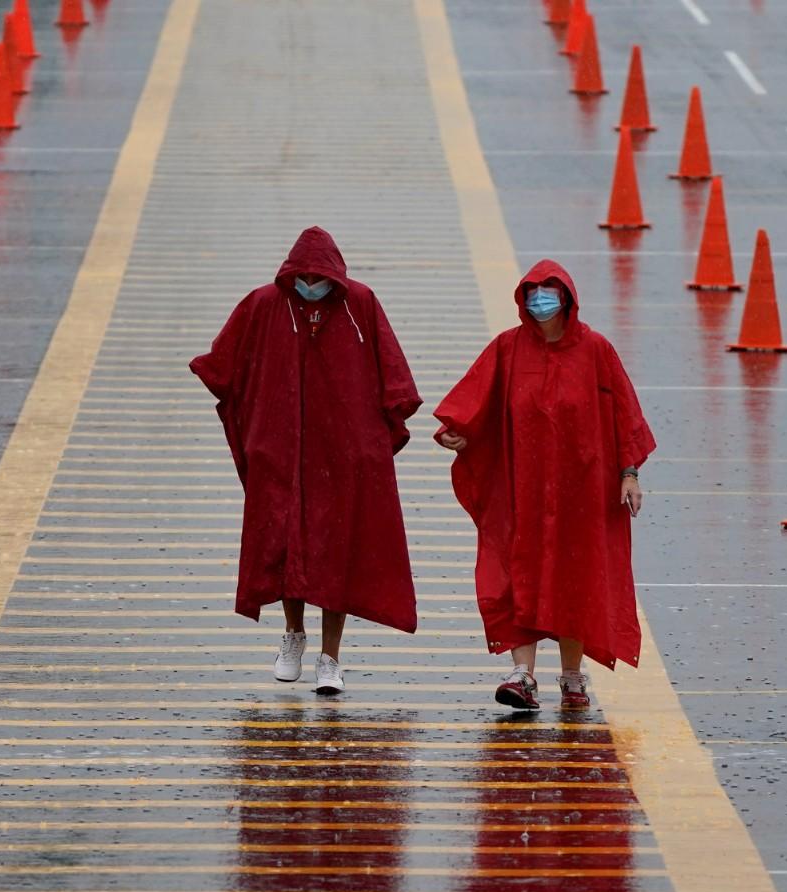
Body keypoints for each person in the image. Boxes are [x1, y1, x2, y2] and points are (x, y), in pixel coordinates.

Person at [190, 226, 421, 695]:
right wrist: (256, 427)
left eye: (320, 277)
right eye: (304, 276)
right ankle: (293, 636)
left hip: (342, 456)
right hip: (282, 452)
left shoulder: (360, 305)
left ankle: (330, 658)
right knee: (287, 544)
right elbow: (224, 365)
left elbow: (391, 371)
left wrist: (375, 438)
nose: (311, 284)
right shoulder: (263, 305)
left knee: (336, 554)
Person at [433, 260, 655, 711]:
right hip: (523, 491)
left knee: (576, 578)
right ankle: (522, 675)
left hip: (583, 492)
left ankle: (572, 678)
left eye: (548, 293)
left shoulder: (596, 351)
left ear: (567, 300)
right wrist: (460, 432)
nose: (539, 302)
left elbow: (624, 419)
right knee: (519, 574)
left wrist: (629, 474)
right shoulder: (508, 350)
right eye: (532, 293)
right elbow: (478, 401)